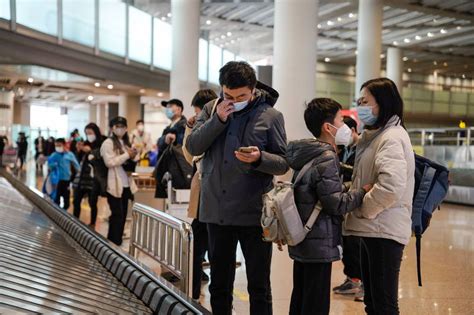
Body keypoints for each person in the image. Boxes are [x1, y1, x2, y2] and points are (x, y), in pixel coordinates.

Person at [186, 61, 288, 315]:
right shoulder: (211, 109)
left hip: (255, 213)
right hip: (216, 211)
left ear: (253, 90)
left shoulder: (270, 116)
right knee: (219, 285)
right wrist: (219, 118)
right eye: (228, 95)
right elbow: (194, 147)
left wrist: (260, 158)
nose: (234, 100)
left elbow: (283, 163)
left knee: (259, 285)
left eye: (241, 96)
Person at [285, 98, 372, 315]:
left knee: (301, 297)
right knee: (316, 303)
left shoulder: (307, 154)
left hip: (304, 238)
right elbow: (335, 204)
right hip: (319, 242)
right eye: (340, 120)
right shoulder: (326, 157)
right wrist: (363, 191)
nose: (344, 126)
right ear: (328, 127)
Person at [344, 78, 415, 315]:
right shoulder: (376, 136)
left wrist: (365, 208)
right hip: (373, 228)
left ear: (383, 103)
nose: (360, 106)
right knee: (373, 303)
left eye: (365, 101)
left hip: (383, 230)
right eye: (358, 101)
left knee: (383, 305)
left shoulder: (391, 137)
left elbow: (392, 185)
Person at [183, 88, 218, 300]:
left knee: (218, 252)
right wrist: (189, 128)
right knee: (196, 250)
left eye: (199, 113)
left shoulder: (220, 126)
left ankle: (216, 296)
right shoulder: (197, 129)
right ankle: (194, 295)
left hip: (217, 201)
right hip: (201, 201)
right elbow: (190, 156)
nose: (197, 117)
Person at [333, 115, 364, 301]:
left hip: (357, 202)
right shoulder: (343, 149)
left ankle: (364, 284)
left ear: (352, 131)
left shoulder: (362, 148)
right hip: (344, 202)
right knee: (347, 245)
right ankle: (352, 279)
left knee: (359, 246)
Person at [101, 116, 138, 246]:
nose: (120, 129)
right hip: (114, 185)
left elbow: (131, 160)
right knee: (116, 216)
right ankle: (112, 242)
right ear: (112, 128)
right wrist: (127, 155)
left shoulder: (126, 142)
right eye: (117, 126)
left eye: (123, 126)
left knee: (122, 217)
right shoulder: (108, 143)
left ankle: (117, 243)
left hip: (126, 184)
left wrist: (134, 154)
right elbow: (110, 162)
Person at [73, 123, 106, 228]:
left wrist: (91, 151)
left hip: (94, 178)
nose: (89, 135)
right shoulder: (85, 143)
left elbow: (102, 158)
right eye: (87, 133)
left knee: (93, 201)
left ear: (96, 132)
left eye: (90, 133)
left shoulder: (102, 143)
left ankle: (92, 223)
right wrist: (79, 151)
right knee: (76, 200)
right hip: (82, 177)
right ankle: (75, 221)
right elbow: (80, 160)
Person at [47, 138, 80, 210]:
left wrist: (78, 174)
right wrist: (53, 165)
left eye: (59, 145)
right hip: (56, 181)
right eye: (56, 146)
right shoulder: (54, 155)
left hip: (66, 180)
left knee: (66, 201)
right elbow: (49, 166)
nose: (58, 147)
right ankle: (57, 214)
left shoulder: (70, 154)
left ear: (64, 145)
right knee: (56, 199)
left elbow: (77, 166)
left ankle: (63, 213)